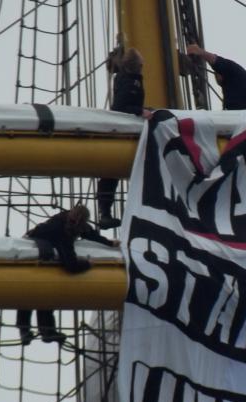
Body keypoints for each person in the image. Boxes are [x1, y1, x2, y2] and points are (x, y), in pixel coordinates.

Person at [16, 205, 115, 345]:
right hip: (38, 248)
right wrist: (88, 264)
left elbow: (90, 234)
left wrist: (110, 243)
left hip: (43, 254)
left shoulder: (73, 223)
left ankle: (40, 331)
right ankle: (35, 331)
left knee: (41, 294)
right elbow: (71, 266)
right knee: (31, 293)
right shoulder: (61, 231)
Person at [98, 47, 150, 230]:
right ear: (139, 66)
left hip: (122, 130)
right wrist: (140, 111)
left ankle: (105, 213)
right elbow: (120, 106)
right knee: (113, 174)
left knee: (110, 176)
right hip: (125, 131)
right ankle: (143, 215)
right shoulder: (131, 82)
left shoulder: (124, 78)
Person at [186, 43, 246, 110]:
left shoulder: (235, 73)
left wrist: (199, 51)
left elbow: (217, 61)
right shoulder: (231, 86)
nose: (215, 77)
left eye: (216, 73)